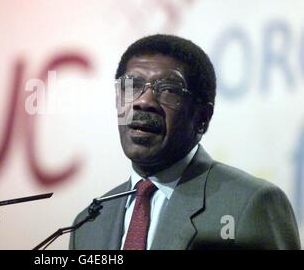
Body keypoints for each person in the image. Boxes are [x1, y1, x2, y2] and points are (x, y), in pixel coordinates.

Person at [69, 34, 301, 250]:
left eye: (168, 90)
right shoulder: (88, 224)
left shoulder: (250, 204)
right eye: (132, 86)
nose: (143, 102)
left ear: (202, 118)